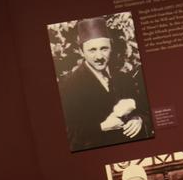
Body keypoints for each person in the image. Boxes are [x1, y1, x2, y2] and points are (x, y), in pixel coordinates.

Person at [58, 16, 152, 151]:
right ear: (81, 51)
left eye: (104, 48)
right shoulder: (69, 85)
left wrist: (139, 120)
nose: (99, 57)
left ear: (111, 48)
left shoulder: (124, 78)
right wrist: (101, 127)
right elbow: (69, 133)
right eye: (92, 50)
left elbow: (145, 110)